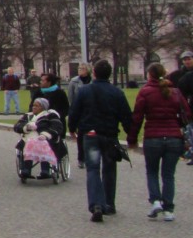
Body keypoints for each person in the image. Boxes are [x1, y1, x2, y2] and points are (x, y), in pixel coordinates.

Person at [68, 60, 133, 222]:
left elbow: (75, 111)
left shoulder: (84, 91)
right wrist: (130, 134)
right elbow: (126, 116)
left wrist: (72, 127)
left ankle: (96, 204)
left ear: (94, 73)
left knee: (93, 169)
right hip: (109, 134)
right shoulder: (117, 92)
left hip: (90, 134)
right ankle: (109, 204)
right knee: (109, 169)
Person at [128, 63, 190, 222]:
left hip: (152, 137)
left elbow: (137, 117)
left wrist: (132, 139)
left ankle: (155, 201)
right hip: (173, 137)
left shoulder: (146, 92)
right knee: (168, 174)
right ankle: (169, 208)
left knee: (152, 171)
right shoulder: (175, 92)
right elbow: (187, 113)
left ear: (149, 75)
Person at [13, 98, 66, 179]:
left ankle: (45, 170)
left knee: (43, 144)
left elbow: (57, 127)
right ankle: (26, 169)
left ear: (43, 107)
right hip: (29, 138)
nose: (34, 107)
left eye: (37, 106)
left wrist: (46, 135)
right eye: (33, 105)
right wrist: (26, 127)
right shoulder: (27, 116)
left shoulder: (50, 116)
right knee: (28, 144)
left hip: (45, 138)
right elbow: (17, 126)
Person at [67, 63, 93, 167]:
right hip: (79, 110)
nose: (80, 70)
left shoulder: (93, 81)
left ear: (87, 70)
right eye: (79, 68)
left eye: (82, 68)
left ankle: (90, 156)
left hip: (91, 110)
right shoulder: (74, 81)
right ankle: (81, 158)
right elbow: (71, 97)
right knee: (81, 136)